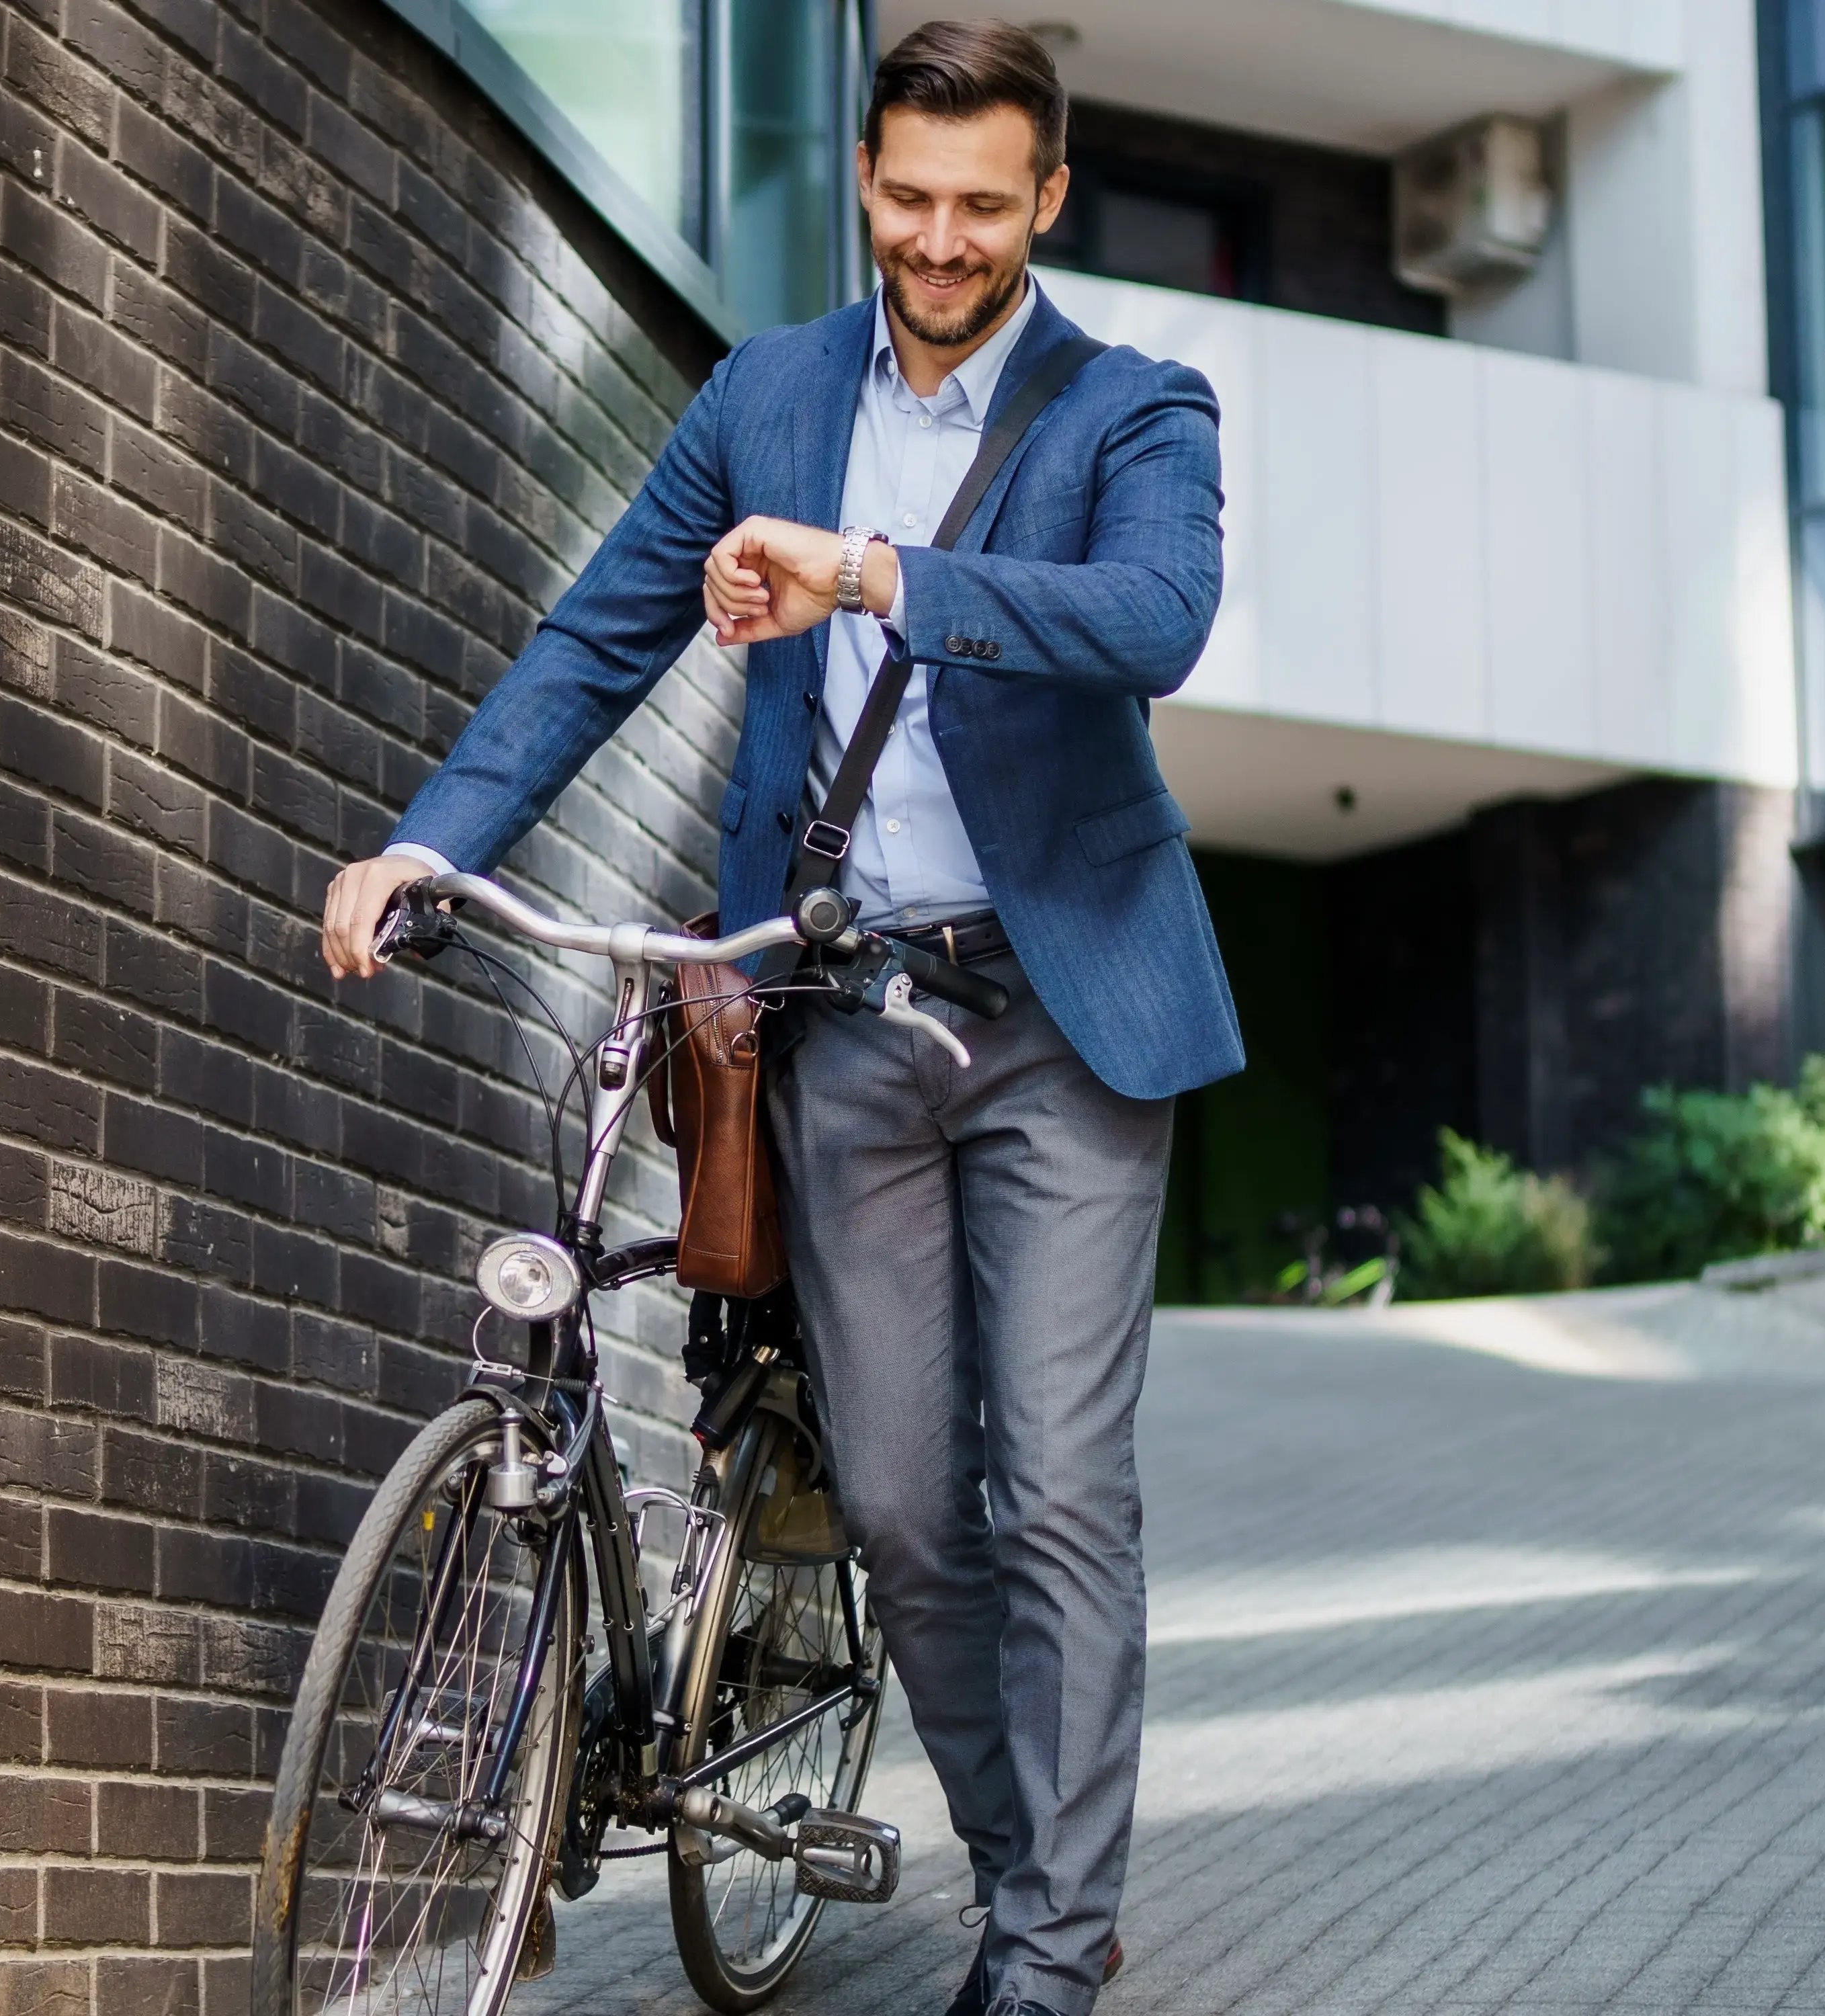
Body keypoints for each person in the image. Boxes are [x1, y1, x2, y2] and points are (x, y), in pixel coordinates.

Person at [313, 19, 1235, 2016]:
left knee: (1062, 1484)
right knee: (903, 1508)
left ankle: (1053, 1959)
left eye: (984, 205)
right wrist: (423, 841)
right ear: (868, 176)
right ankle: (1029, 1874)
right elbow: (596, 637)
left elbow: (1155, 621)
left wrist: (874, 571)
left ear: (1048, 200)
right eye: (909, 196)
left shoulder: (1134, 409)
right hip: (843, 1011)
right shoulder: (770, 390)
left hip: (1064, 1017)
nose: (939, 238)